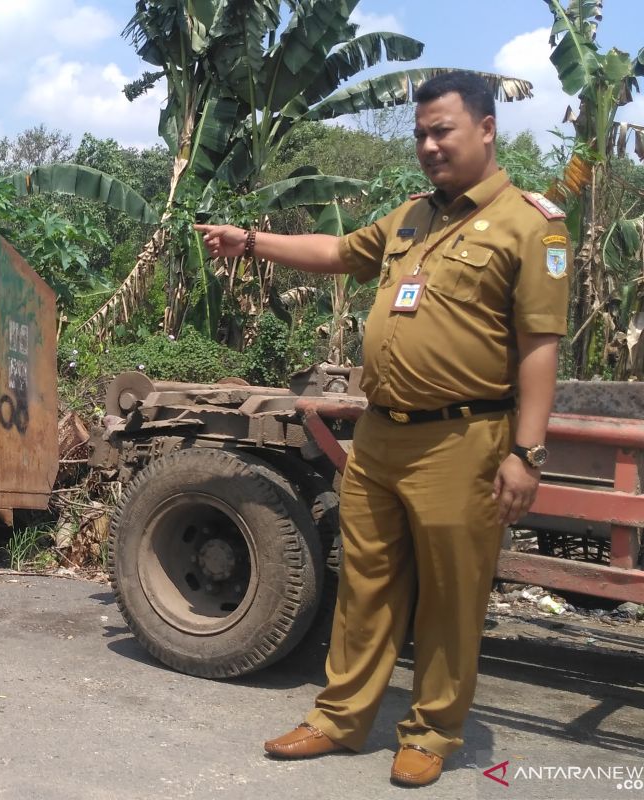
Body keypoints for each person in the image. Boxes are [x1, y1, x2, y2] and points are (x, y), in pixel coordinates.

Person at [195, 71, 570, 788]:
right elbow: (336, 252)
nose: (429, 146)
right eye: (421, 133)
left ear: (487, 130)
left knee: (451, 595)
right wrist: (250, 241)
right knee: (365, 584)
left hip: (465, 440)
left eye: (443, 131)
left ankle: (432, 730)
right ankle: (339, 718)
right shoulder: (410, 217)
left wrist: (527, 453)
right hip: (382, 435)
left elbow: (539, 347)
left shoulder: (532, 224)